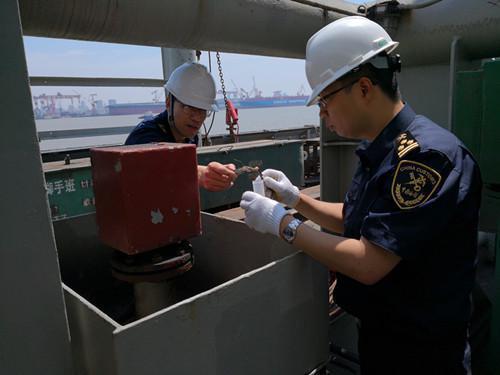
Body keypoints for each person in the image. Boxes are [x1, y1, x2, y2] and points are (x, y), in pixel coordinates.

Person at [240, 16, 481, 374]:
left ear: (364, 88)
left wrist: (283, 224)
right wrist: (295, 199)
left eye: (325, 100)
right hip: (384, 339)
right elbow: (357, 218)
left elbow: (369, 261)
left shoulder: (426, 157)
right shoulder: (384, 149)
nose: (323, 115)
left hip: (422, 355)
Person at [125, 62, 236, 191]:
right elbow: (155, 165)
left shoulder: (189, 136)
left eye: (203, 110)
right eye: (189, 108)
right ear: (168, 103)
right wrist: (200, 174)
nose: (197, 118)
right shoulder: (145, 135)